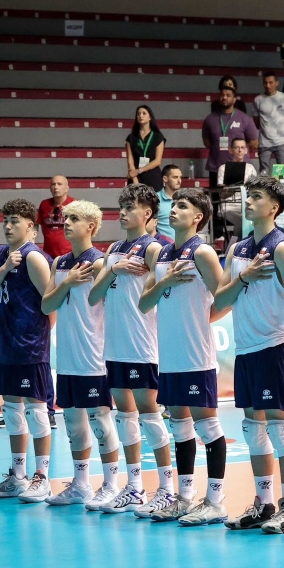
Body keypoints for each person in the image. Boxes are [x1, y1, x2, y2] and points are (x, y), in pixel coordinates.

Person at [215, 176, 284, 534]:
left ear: (274, 207)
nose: (249, 201)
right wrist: (245, 278)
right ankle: (264, 504)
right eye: (248, 196)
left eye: (256, 197)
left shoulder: (282, 247)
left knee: (281, 428)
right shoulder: (237, 249)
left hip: (272, 347)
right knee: (253, 429)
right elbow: (219, 301)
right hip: (246, 348)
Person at [140, 188, 229, 526]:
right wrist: (166, 281)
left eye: (182, 206)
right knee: (179, 427)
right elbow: (144, 303)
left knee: (207, 425)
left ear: (198, 217)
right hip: (170, 356)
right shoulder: (162, 254)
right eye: (173, 204)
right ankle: (185, 497)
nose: (173, 210)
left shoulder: (202, 252)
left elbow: (224, 298)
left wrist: (200, 322)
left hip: (196, 355)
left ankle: (216, 501)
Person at [87, 185, 177, 516]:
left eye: (130, 207)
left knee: (150, 415)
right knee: (126, 417)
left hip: (143, 344)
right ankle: (135, 487)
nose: (122, 212)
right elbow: (93, 296)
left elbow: (163, 290)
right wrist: (113, 268)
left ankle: (167, 490)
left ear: (148, 213)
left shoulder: (154, 248)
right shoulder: (113, 249)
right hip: (115, 344)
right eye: (121, 206)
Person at [39, 201, 122, 510]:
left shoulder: (99, 263)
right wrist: (68, 283)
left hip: (94, 357)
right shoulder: (60, 263)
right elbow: (47, 306)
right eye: (66, 218)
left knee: (100, 421)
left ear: (91, 226)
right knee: (73, 422)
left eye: (74, 218)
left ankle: (111, 484)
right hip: (68, 357)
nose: (67, 223)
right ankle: (80, 484)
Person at [0, 199, 56, 502]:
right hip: (7, 346)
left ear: (30, 227)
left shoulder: (34, 257)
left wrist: (40, 339)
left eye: (15, 221)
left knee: (37, 412)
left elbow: (50, 303)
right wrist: (5, 268)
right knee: (12, 412)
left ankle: (43, 477)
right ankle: (18, 477)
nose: (8, 226)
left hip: (31, 347)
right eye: (5, 220)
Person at [202, 86, 259, 189]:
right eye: (222, 95)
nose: (224, 97)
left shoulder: (245, 118)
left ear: (234, 99)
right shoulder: (210, 119)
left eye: (228, 95)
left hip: (239, 167)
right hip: (216, 166)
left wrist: (239, 151)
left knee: (238, 196)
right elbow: (206, 142)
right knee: (216, 197)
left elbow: (254, 142)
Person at [253, 72, 284, 172]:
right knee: (263, 174)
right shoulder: (257, 100)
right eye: (265, 83)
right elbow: (256, 122)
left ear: (277, 83)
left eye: (271, 82)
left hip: (282, 142)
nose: (268, 85)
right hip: (264, 143)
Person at [125, 105, 166, 191]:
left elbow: (157, 161)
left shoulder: (158, 136)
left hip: (153, 176)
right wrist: (135, 179)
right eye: (138, 114)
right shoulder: (131, 137)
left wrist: (139, 170)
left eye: (144, 113)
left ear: (150, 117)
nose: (141, 116)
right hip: (135, 176)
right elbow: (130, 161)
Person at [37, 176, 74, 258]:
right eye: (53, 184)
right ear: (50, 188)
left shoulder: (74, 204)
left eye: (59, 184)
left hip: (70, 254)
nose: (56, 187)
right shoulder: (44, 204)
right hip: (48, 254)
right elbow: (42, 228)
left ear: (67, 188)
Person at [156, 164, 182, 239]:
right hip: (163, 244)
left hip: (183, 243)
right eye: (175, 177)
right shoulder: (155, 199)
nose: (179, 181)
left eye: (180, 177)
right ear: (165, 179)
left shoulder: (184, 198)